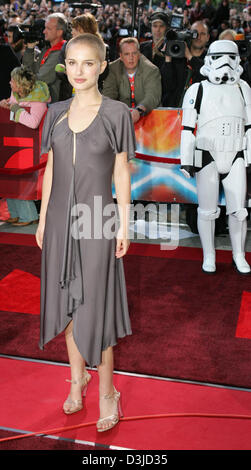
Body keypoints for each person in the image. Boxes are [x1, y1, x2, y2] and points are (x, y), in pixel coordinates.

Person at [35, 33, 136, 431]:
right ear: (66, 66)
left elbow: (121, 176)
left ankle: (108, 391)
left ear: (101, 66)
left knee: (96, 305)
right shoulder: (55, 111)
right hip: (59, 220)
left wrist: (124, 224)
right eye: (72, 62)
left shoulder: (116, 113)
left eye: (88, 63)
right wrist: (43, 220)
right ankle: (77, 380)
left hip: (97, 219)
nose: (79, 71)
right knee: (67, 302)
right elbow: (52, 172)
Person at [180, 40, 251, 274]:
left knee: (239, 211)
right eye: (219, 56)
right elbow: (187, 129)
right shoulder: (197, 89)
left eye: (231, 57)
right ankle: (208, 254)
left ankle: (238, 254)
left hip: (236, 153)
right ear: (210, 58)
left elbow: (249, 126)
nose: (225, 63)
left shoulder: (244, 88)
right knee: (207, 210)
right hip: (207, 152)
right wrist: (186, 160)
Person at [0, 65, 50, 226]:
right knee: (12, 179)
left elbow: (33, 122)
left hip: (31, 148)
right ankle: (14, 213)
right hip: (15, 144)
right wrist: (6, 105)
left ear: (21, 84)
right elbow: (14, 110)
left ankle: (29, 216)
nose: (9, 83)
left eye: (13, 81)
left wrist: (14, 109)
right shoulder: (16, 95)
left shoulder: (39, 101)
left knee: (23, 181)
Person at [102, 37, 161, 123]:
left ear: (139, 54)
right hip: (120, 118)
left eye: (134, 53)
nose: (131, 57)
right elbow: (109, 94)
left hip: (148, 118)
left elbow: (152, 96)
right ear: (121, 56)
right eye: (127, 54)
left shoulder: (151, 70)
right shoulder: (112, 69)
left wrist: (139, 110)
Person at [160, 21, 209, 107]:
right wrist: (168, 57)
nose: (198, 37)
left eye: (202, 34)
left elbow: (206, 75)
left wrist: (190, 57)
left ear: (208, 37)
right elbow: (167, 86)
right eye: (195, 33)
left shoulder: (211, 59)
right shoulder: (178, 55)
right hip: (175, 110)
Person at [22, 12, 68, 102]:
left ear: (59, 32)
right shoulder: (47, 50)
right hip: (41, 102)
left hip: (53, 107)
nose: (44, 31)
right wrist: (30, 49)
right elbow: (29, 70)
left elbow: (40, 79)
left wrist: (21, 83)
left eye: (48, 28)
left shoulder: (60, 53)